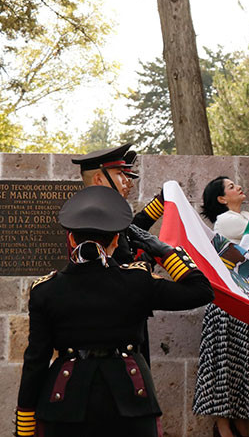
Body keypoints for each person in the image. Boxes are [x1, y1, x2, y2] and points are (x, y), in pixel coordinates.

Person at [14, 186, 213, 437]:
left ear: (71, 239)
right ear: (116, 241)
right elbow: (201, 291)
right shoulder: (137, 281)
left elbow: (36, 362)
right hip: (131, 399)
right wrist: (165, 252)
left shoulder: (46, 290)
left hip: (64, 403)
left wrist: (25, 425)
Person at [192, 176, 249, 437]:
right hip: (229, 307)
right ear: (221, 199)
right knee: (225, 369)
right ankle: (223, 426)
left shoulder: (244, 219)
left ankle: (240, 424)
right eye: (231, 187)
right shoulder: (227, 222)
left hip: (246, 303)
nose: (238, 187)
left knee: (244, 368)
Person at [72, 143, 166, 365]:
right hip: (112, 323)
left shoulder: (106, 213)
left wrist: (160, 204)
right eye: (120, 175)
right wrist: (154, 255)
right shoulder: (95, 218)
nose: (127, 182)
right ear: (98, 179)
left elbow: (132, 229)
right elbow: (120, 269)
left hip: (124, 314)